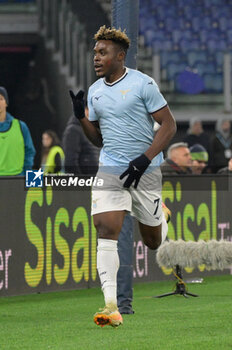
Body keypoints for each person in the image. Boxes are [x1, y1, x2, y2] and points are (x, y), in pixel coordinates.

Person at [69, 25, 176, 328]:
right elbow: (98, 139)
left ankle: (161, 218)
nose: (96, 58)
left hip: (147, 170)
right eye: (95, 53)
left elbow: (169, 125)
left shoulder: (144, 84)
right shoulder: (96, 91)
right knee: (105, 229)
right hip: (111, 168)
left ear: (120, 56)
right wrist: (81, 116)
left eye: (102, 53)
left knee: (153, 242)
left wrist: (146, 157)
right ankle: (111, 307)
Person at [62, 107, 135, 314]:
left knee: (120, 244)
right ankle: (119, 303)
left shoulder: (105, 132)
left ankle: (122, 303)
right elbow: (71, 164)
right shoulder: (76, 130)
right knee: (114, 244)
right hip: (104, 193)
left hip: (118, 188)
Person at [0, 86, 35, 176]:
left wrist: (25, 174)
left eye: (1, 99)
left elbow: (29, 152)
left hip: (17, 180)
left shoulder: (21, 127)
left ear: (6, 103)